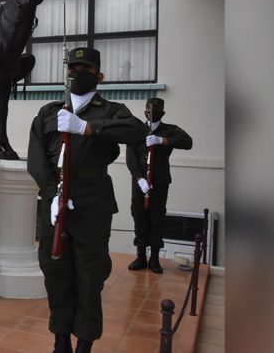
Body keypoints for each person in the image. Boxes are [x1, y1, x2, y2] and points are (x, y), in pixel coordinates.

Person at [27, 47, 147, 353]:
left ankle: (85, 342)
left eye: (85, 68)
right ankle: (61, 339)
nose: (77, 72)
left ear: (99, 75)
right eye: (73, 66)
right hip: (55, 201)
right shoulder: (49, 112)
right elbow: (36, 159)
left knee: (89, 275)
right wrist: (52, 193)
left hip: (93, 201)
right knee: (56, 272)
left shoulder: (111, 110)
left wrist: (87, 127)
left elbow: (137, 131)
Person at [125, 98, 193, 274]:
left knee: (156, 218)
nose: (151, 111)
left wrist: (162, 141)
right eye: (148, 108)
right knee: (139, 216)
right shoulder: (137, 130)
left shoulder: (169, 130)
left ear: (162, 112)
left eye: (156, 108)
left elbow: (188, 142)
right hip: (140, 183)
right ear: (144, 111)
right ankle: (141, 256)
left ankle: (154, 258)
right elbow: (131, 157)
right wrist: (139, 178)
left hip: (160, 181)